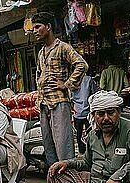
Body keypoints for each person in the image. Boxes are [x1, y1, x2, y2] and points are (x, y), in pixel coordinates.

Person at [32, 11, 88, 166]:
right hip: (44, 104)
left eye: (38, 27)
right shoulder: (41, 52)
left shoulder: (63, 47)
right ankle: (55, 182)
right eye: (34, 28)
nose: (35, 31)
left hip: (59, 102)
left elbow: (81, 65)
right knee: (49, 146)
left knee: (63, 145)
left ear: (48, 27)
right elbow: (39, 74)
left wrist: (67, 84)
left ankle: (68, 182)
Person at [72, 74, 97, 154]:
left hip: (77, 111)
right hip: (88, 112)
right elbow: (94, 94)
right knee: (90, 133)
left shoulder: (72, 80)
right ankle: (90, 151)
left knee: (78, 134)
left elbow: (70, 96)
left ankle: (82, 151)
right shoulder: (89, 79)